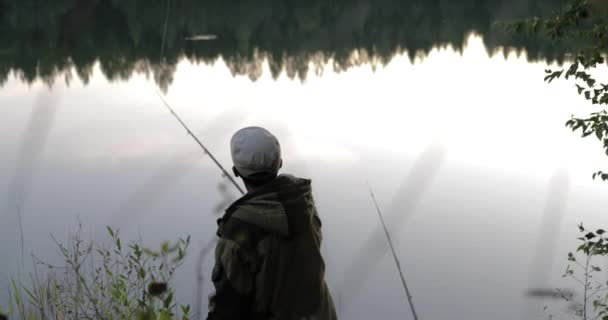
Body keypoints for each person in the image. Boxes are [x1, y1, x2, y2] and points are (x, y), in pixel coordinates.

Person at [207, 126, 337, 320]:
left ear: (235, 172)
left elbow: (228, 309)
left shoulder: (237, 231)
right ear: (280, 163)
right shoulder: (303, 201)